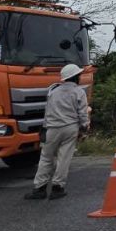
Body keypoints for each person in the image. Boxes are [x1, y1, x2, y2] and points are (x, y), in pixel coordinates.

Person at [24, 63, 89, 200]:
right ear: (75, 77)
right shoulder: (79, 92)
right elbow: (83, 114)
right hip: (70, 127)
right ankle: (57, 188)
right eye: (79, 75)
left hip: (52, 128)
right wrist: (84, 128)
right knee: (64, 158)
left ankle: (39, 188)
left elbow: (48, 111)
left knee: (46, 158)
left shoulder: (53, 91)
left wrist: (44, 128)